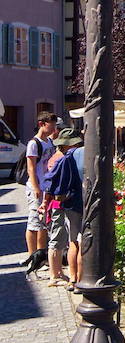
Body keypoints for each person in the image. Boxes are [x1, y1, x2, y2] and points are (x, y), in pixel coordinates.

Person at [44, 129, 84, 289]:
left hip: (69, 205)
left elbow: (50, 182)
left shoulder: (64, 157)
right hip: (83, 203)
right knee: (83, 243)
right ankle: (81, 281)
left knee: (73, 242)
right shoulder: (82, 154)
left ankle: (73, 279)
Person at [21, 112, 58, 273]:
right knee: (34, 222)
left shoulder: (49, 141)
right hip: (36, 186)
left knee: (44, 223)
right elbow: (31, 167)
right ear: (42, 123)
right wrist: (36, 187)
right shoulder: (33, 143)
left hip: (47, 186)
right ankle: (32, 256)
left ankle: (41, 256)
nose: (54, 127)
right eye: (52, 124)